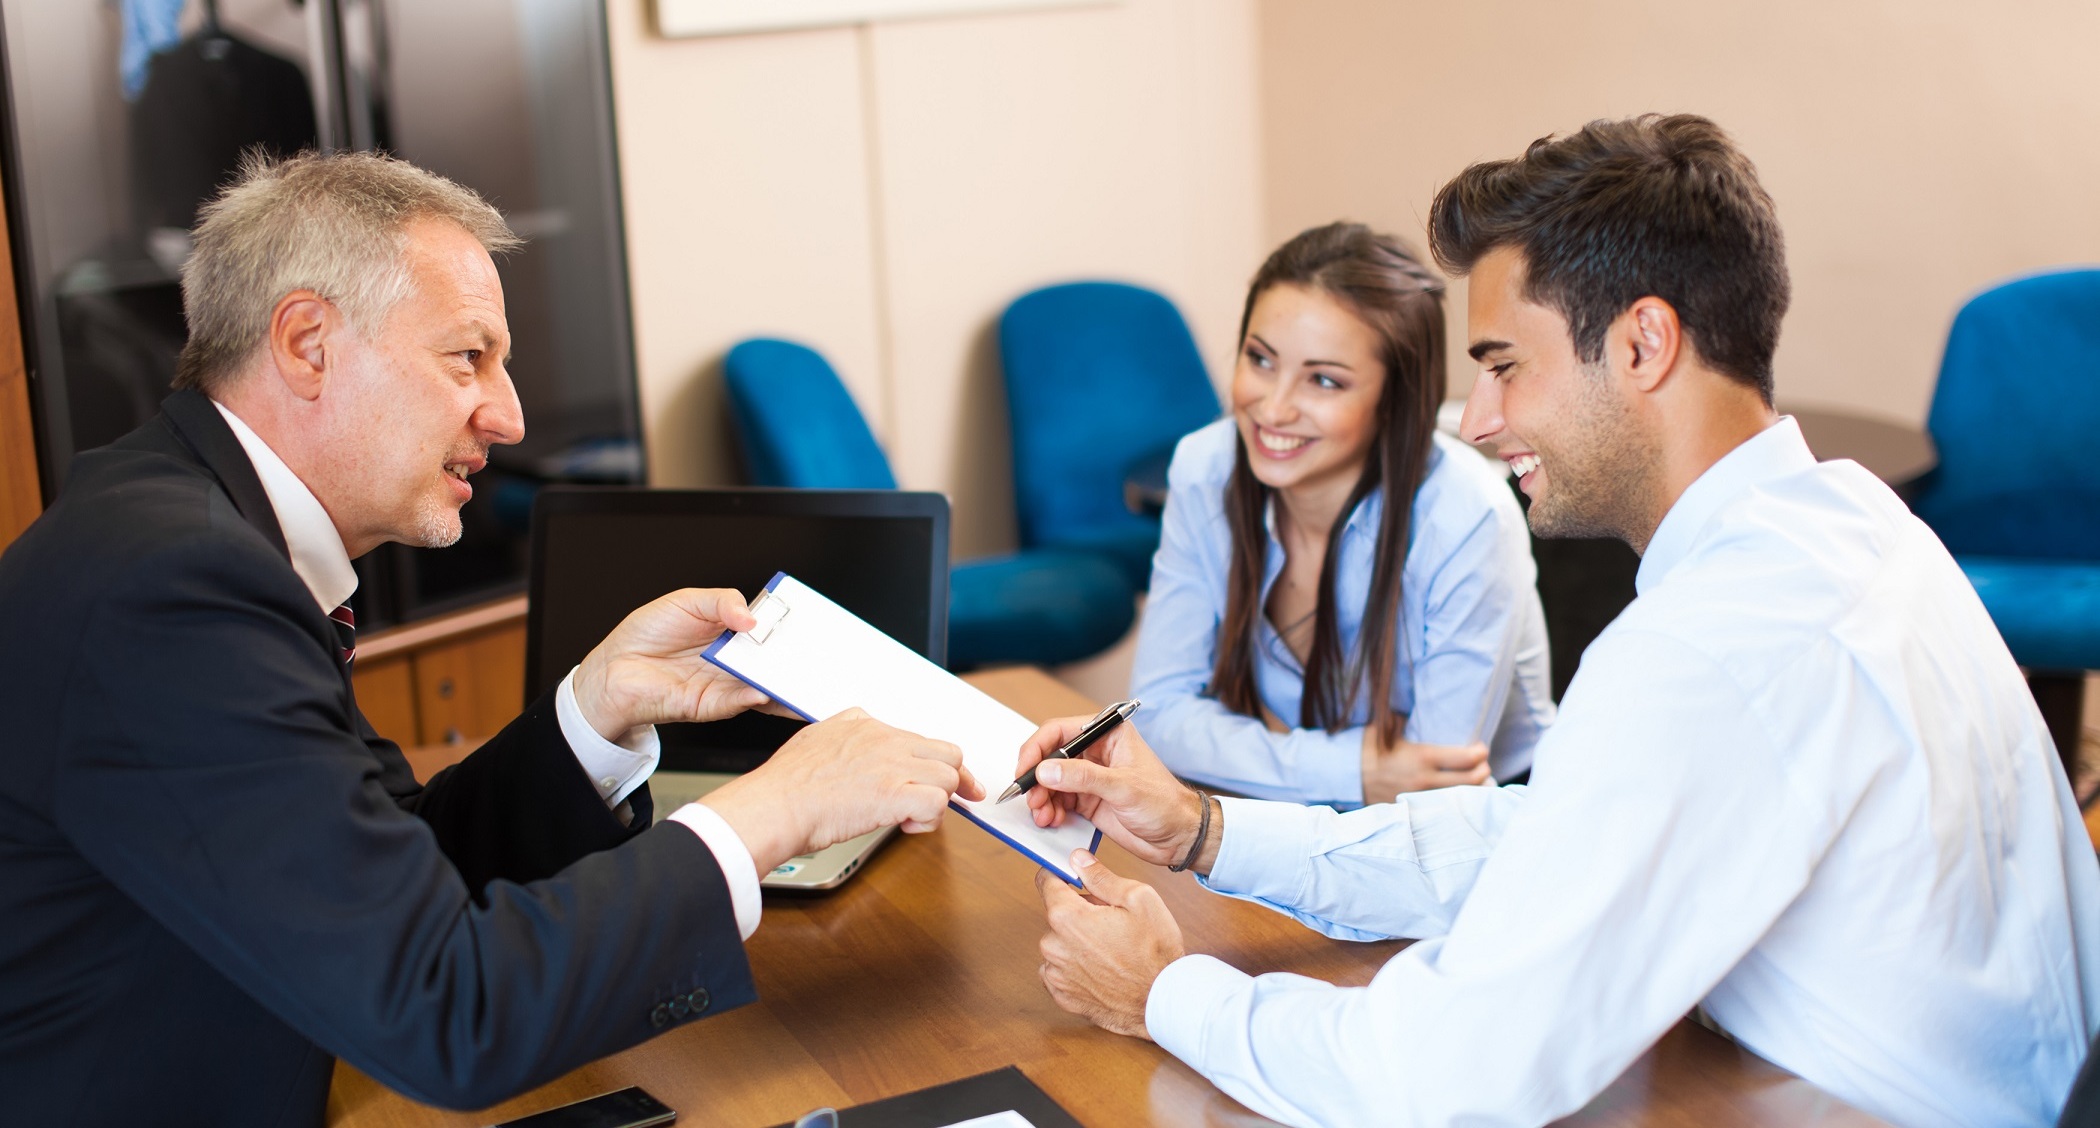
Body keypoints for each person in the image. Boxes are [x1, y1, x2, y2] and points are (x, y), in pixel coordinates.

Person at [1019, 115, 2100, 1127]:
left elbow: (1451, 1075)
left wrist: (1165, 992)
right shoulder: (1851, 524)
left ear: (1641, 347)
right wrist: (1210, 830)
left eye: (1502, 367)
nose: (1480, 423)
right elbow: (1550, 840)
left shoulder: (1706, 649)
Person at [0, 151, 981, 1126]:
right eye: (467, 357)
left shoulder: (198, 531)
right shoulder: (173, 589)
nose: (508, 416)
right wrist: (775, 808)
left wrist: (595, 710)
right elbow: (444, 1009)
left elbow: (395, 871)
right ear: (307, 343)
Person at [1132, 222, 1553, 804]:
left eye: (1324, 380)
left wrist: (1250, 753)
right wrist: (1352, 769)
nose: (1273, 408)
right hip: (1290, 811)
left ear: (1394, 400)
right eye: (1260, 359)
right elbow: (1156, 714)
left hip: (1483, 828)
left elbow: (1435, 791)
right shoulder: (1206, 470)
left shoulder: (1466, 519)